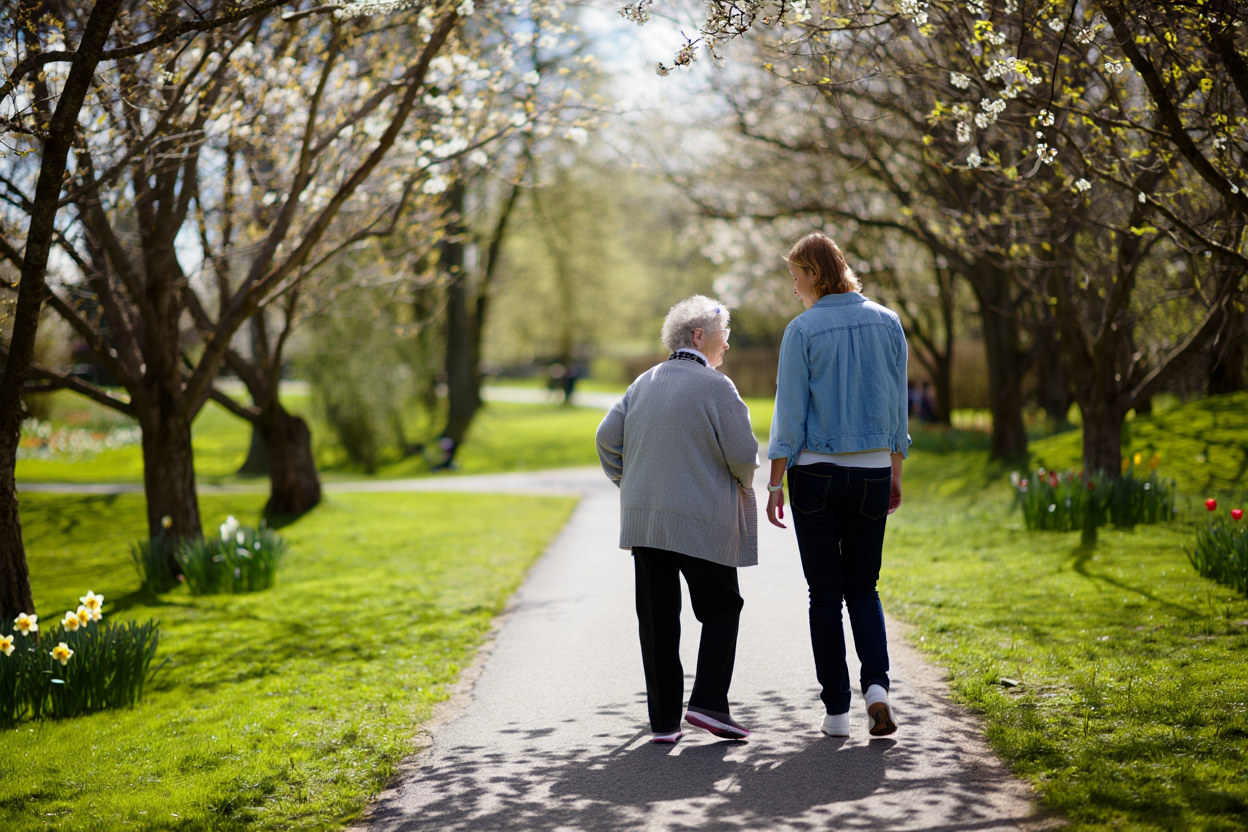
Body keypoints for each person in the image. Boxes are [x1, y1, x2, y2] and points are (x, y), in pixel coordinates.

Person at [596, 295, 760, 744]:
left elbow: (606, 439)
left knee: (658, 619)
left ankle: (664, 722)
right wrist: (742, 481)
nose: (726, 347)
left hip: (645, 522)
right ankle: (708, 704)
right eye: (723, 337)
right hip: (700, 518)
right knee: (723, 607)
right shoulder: (716, 386)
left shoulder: (643, 382)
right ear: (699, 336)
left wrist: (632, 484)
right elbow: (744, 455)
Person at [765, 232, 910, 739]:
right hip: (872, 472)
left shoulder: (802, 331)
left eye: (797, 276)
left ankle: (836, 714)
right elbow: (897, 407)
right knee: (864, 588)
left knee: (825, 595)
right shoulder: (889, 323)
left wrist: (776, 481)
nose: (794, 288)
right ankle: (877, 689)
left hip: (817, 474)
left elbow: (790, 412)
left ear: (817, 274)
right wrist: (894, 470)